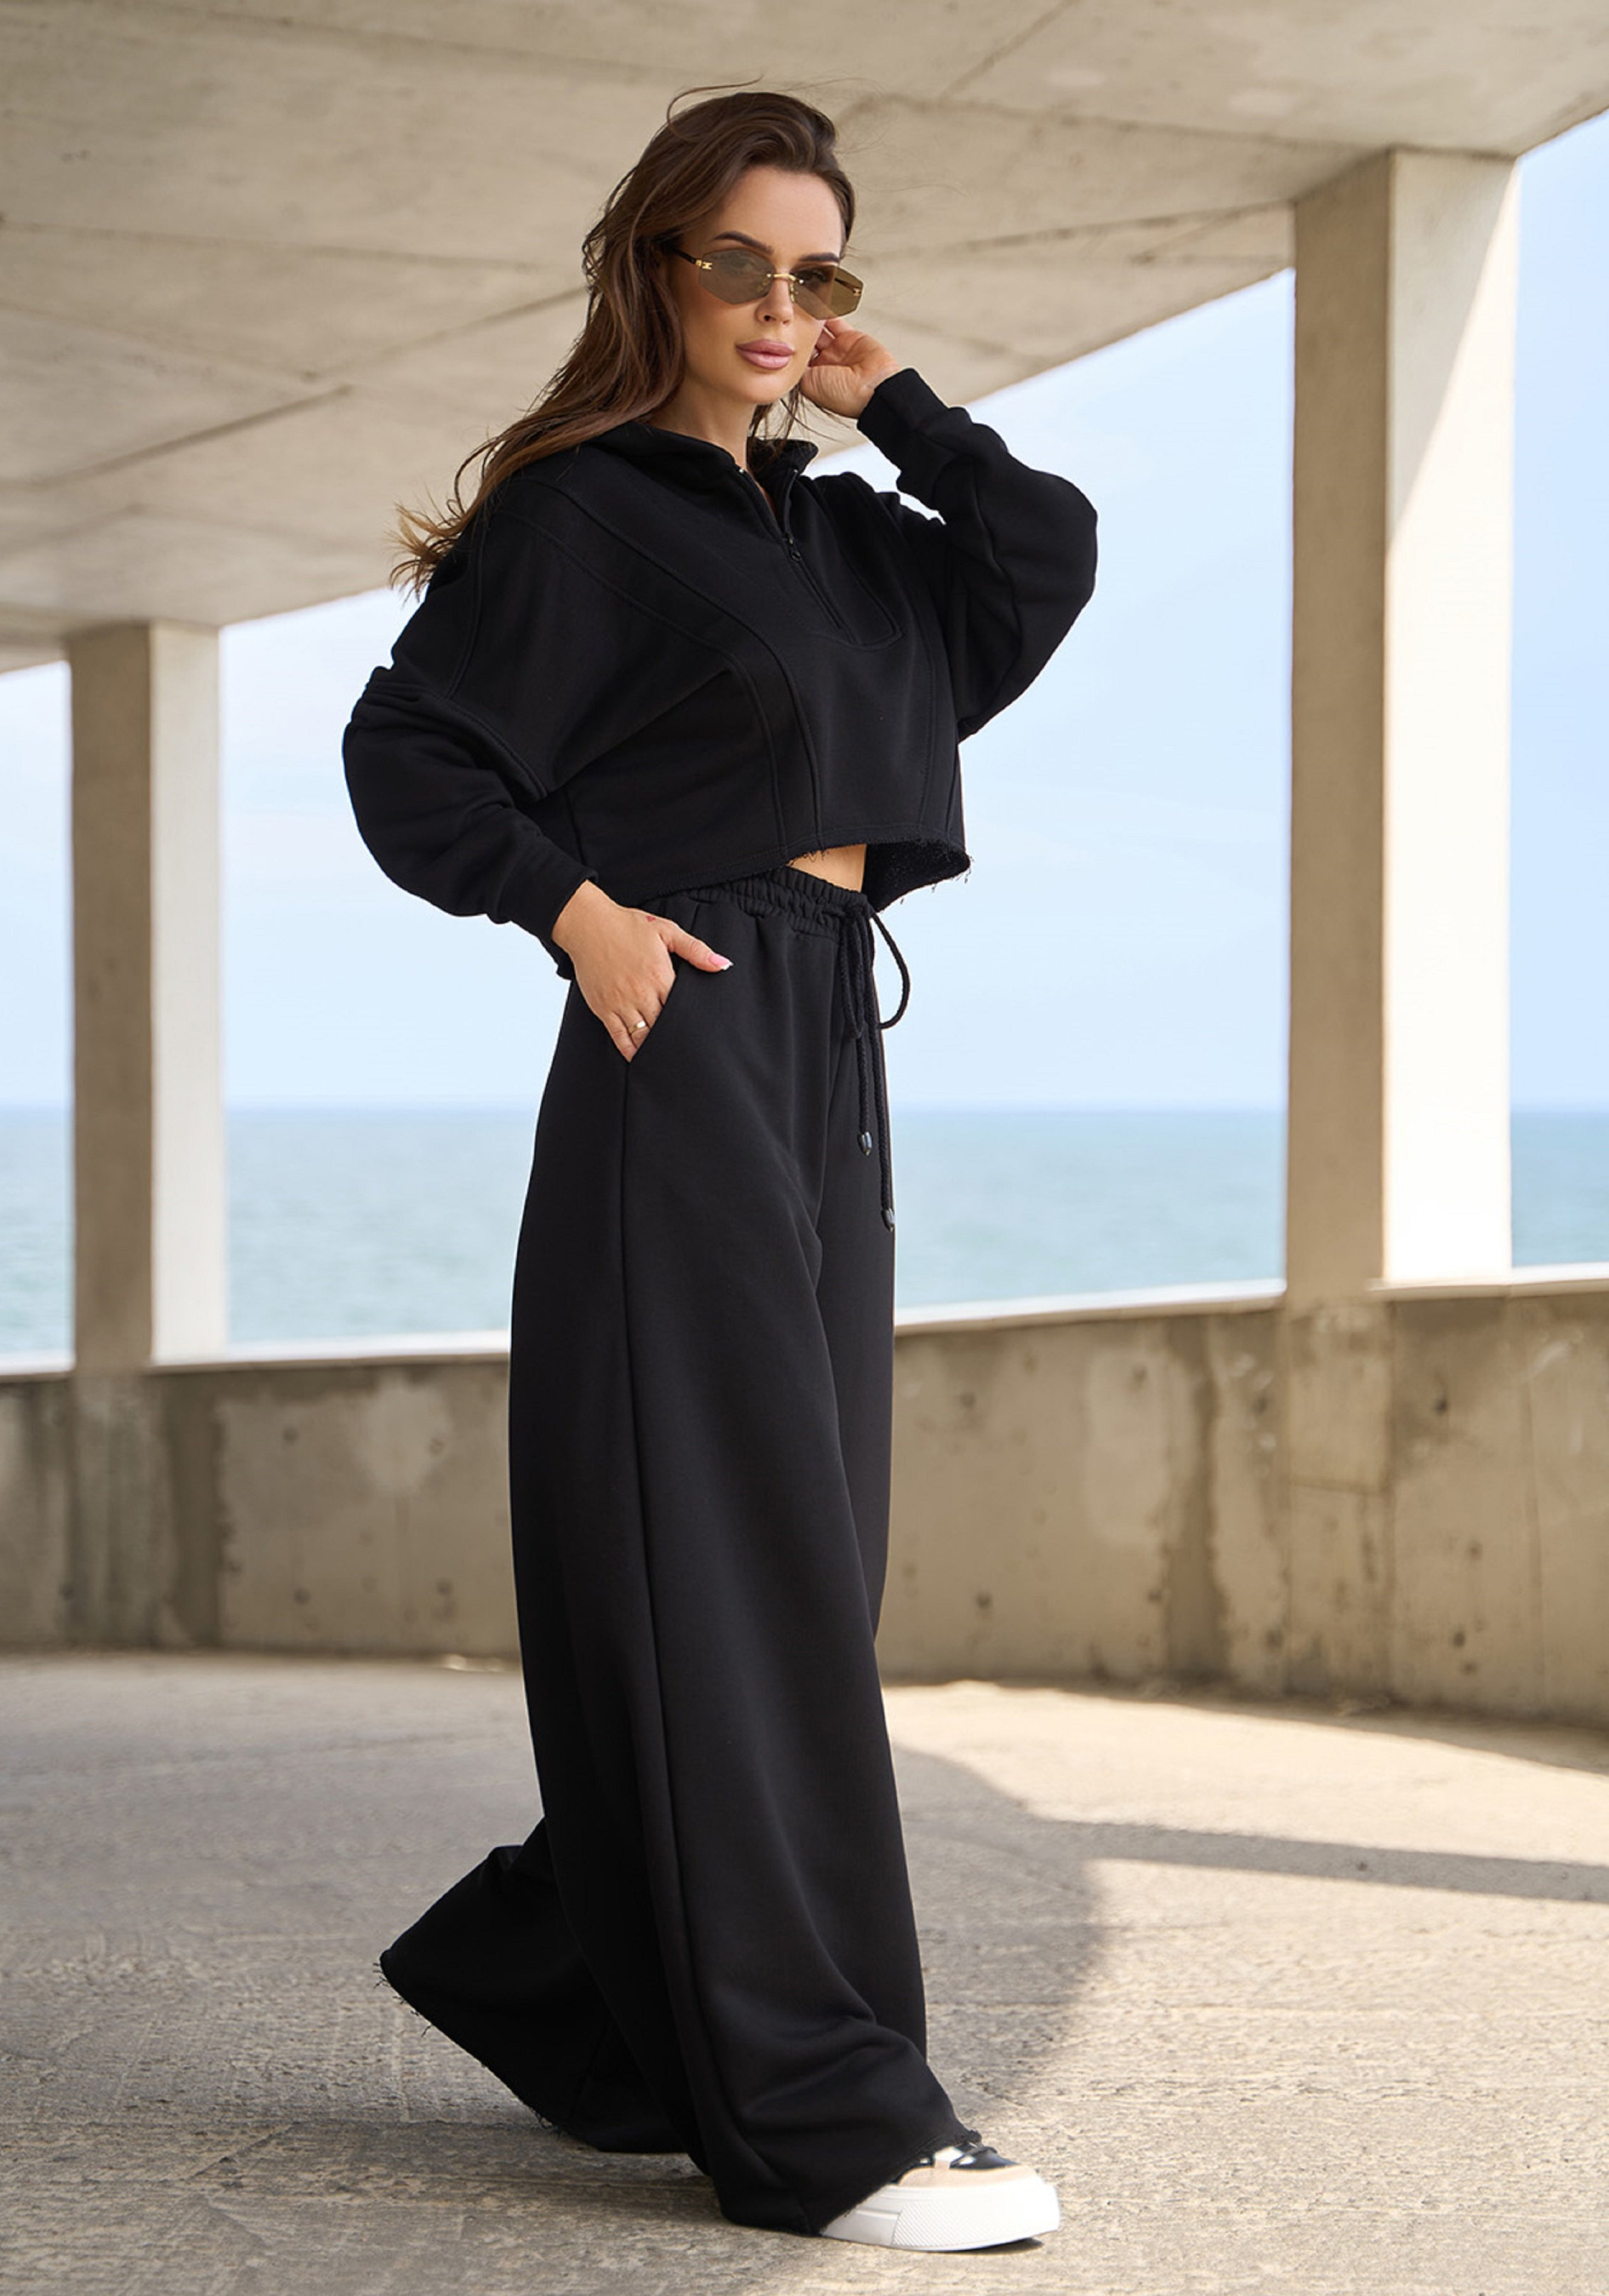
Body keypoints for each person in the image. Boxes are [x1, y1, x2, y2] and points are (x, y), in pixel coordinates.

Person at [342, 88, 1097, 2253]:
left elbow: (1039, 557)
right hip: (677, 1028)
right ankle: (827, 2111)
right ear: (654, 269)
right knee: (741, 1559)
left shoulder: (851, 540)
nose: (777, 307)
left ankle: (589, 1978)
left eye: (814, 273)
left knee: (802, 1552)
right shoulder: (584, 517)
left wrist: (897, 406)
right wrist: (572, 914)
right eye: (739, 265)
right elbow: (409, 750)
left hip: (827, 1037)